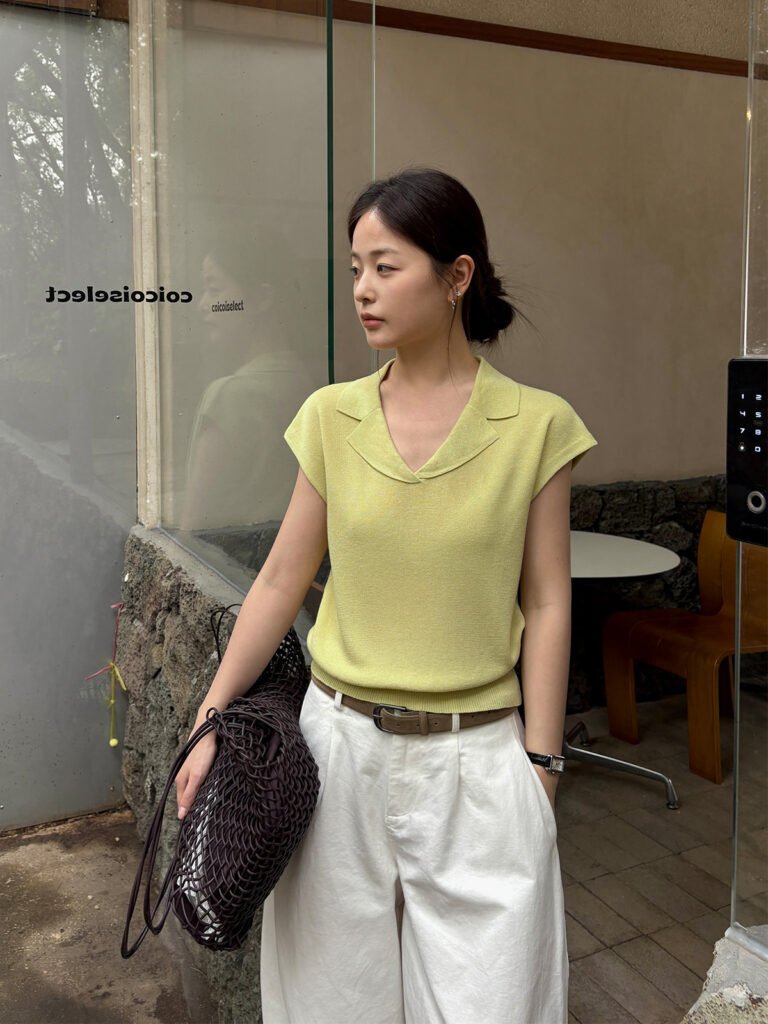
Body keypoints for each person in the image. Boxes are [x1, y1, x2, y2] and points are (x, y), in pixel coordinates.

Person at [175, 167, 598, 1024]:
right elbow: (279, 580)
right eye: (355, 268)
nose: (362, 290)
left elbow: (549, 603)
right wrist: (209, 717)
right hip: (337, 753)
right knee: (330, 1006)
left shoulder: (538, 425)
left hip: (479, 760)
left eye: (385, 266)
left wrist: (542, 769)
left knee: (494, 1003)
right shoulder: (331, 418)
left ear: (457, 276)